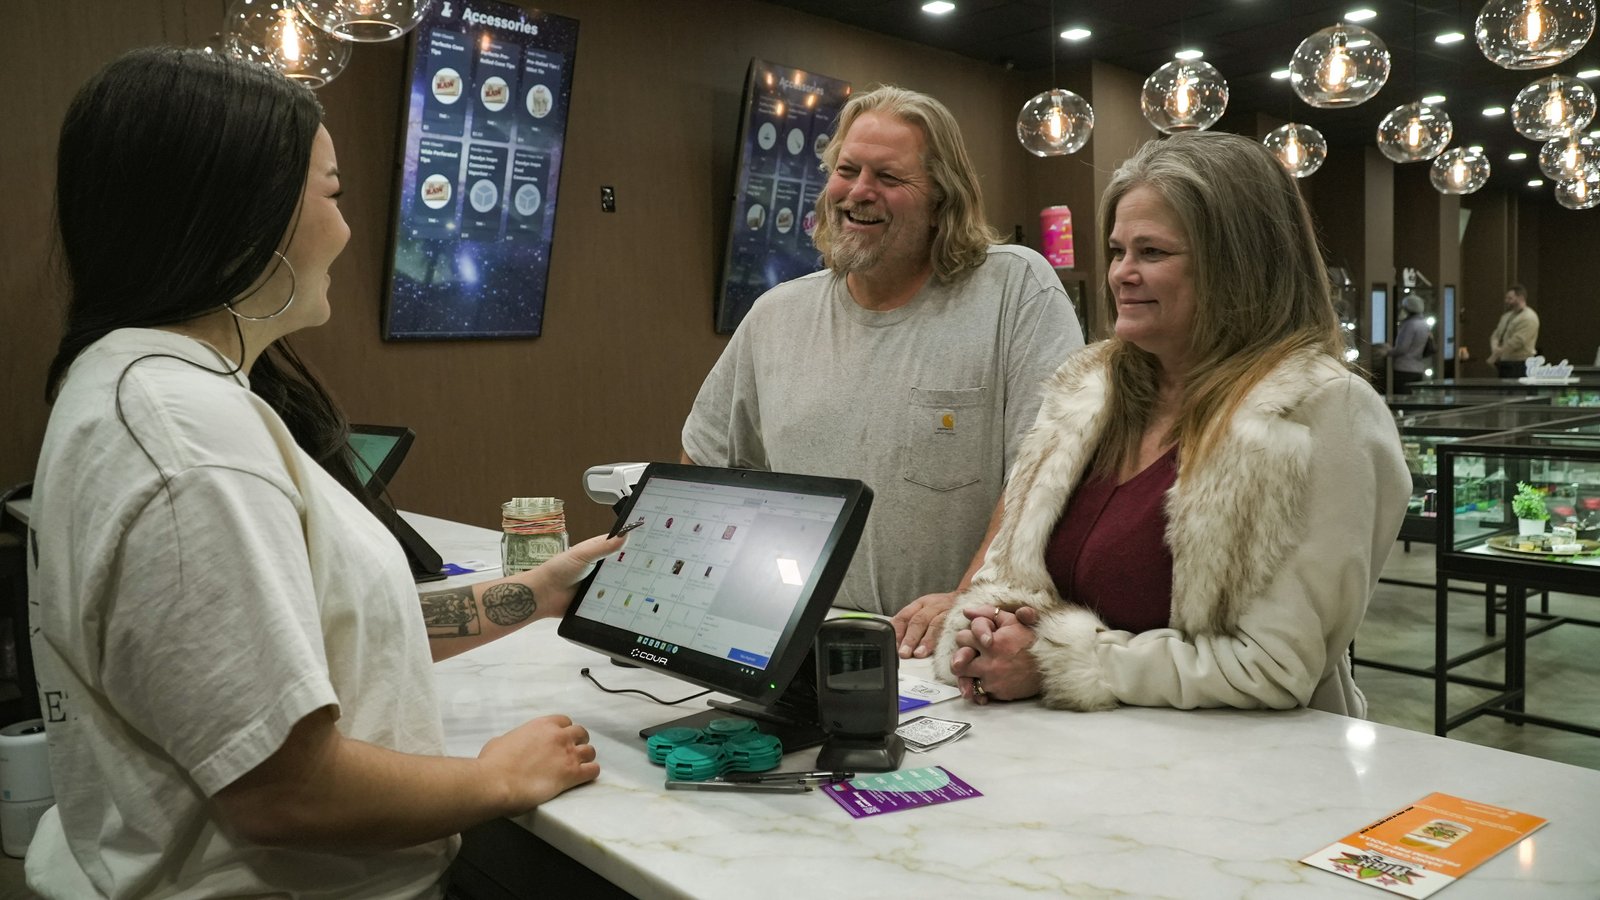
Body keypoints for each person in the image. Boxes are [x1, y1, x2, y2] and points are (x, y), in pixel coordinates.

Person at [27, 48, 625, 898]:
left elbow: (310, 640)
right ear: (248, 215)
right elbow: (283, 791)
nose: (346, 229)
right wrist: (498, 776)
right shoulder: (189, 439)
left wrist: (531, 592)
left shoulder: (147, 386)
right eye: (334, 193)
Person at [930, 132, 1409, 716]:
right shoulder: (1089, 390)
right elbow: (1006, 574)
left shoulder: (1321, 411)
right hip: (1070, 765)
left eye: (1152, 253)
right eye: (1118, 250)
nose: (1122, 274)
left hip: (1245, 780)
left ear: (1237, 265)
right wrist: (984, 634)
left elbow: (1274, 666)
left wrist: (1060, 660)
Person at [681, 85, 1084, 619]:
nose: (859, 192)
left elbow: (1048, 476)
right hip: (804, 641)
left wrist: (970, 600)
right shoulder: (775, 314)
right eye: (847, 171)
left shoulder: (1014, 289)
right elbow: (703, 468)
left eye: (889, 178)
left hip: (953, 648)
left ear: (943, 199)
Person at [1486, 284, 1539, 378]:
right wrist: (1494, 348)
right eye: (1506, 298)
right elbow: (1496, 334)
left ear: (1521, 298)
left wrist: (1496, 355)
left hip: (1520, 364)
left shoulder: (1529, 317)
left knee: (1517, 391)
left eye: (1510, 298)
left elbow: (1517, 342)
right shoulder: (1506, 316)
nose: (1506, 301)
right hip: (1504, 362)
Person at [1389, 293, 1432, 394]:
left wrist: (1387, 352)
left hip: (1404, 368)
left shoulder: (1410, 325)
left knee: (1401, 398)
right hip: (1418, 368)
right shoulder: (1424, 324)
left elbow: (1402, 348)